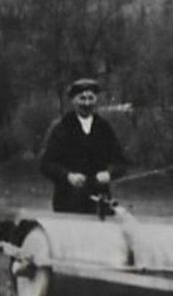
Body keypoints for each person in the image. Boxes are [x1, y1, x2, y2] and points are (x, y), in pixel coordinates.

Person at [39, 78, 129, 215]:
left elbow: (121, 163)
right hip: (67, 203)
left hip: (100, 203)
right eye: (82, 98)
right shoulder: (61, 128)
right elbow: (46, 164)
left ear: (96, 100)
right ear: (73, 100)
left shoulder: (105, 128)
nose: (86, 103)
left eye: (90, 98)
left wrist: (109, 174)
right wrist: (68, 176)